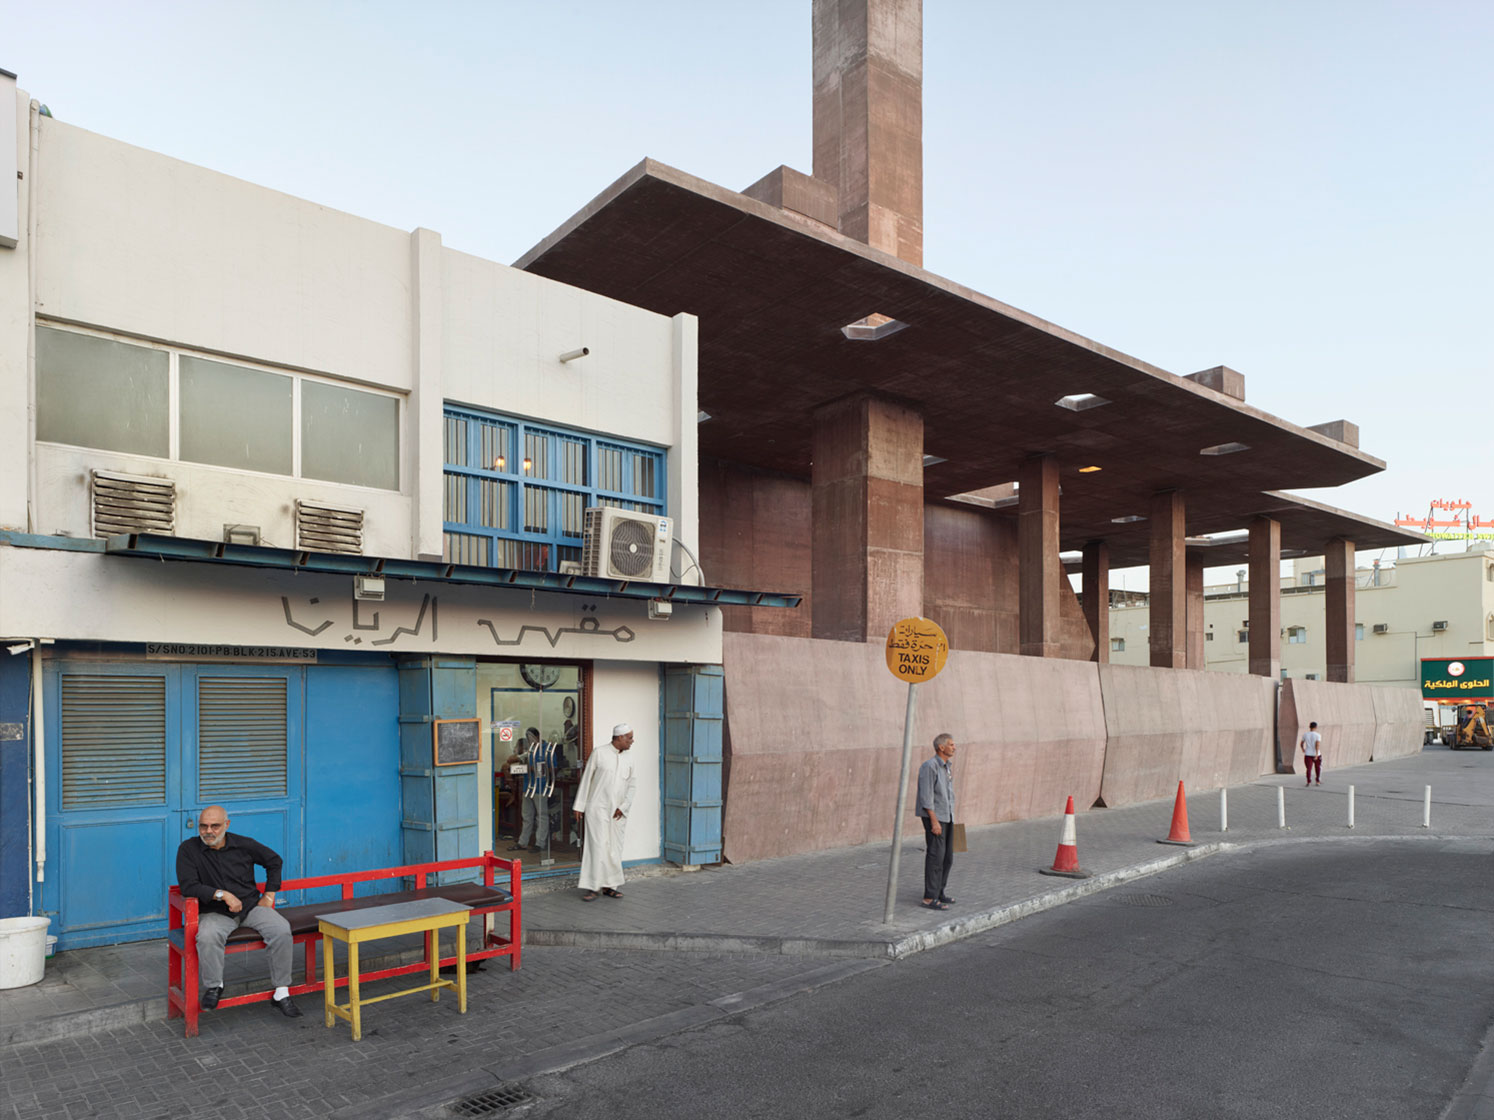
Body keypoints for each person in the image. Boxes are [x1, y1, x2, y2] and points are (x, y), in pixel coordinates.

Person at [175, 804, 301, 1018]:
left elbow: (274, 861)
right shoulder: (188, 849)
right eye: (203, 826)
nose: (208, 831)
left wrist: (269, 895)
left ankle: (281, 992)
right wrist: (222, 894)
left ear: (227, 824)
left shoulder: (244, 844)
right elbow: (188, 886)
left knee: (281, 929)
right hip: (214, 912)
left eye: (215, 826)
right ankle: (215, 986)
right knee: (207, 936)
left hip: (250, 907)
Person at [572, 723, 638, 901]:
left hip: (618, 812)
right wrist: (579, 806)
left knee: (614, 849)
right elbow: (586, 779)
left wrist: (623, 807)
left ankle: (610, 886)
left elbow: (632, 785)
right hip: (597, 809)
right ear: (619, 737)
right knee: (597, 847)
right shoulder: (599, 753)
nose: (632, 741)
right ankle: (593, 887)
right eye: (629, 738)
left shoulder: (629, 758)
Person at [916, 733, 958, 911]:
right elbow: (926, 797)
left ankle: (940, 892)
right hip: (935, 818)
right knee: (935, 857)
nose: (954, 747)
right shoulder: (929, 766)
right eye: (951, 744)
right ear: (941, 747)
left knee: (947, 857)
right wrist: (934, 822)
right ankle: (929, 897)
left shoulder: (947, 767)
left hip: (948, 816)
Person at [506, 727, 557, 853]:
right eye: (528, 738)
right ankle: (522, 842)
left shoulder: (547, 749)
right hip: (528, 786)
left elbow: (552, 769)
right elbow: (511, 760)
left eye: (531, 738)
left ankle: (540, 843)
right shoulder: (530, 750)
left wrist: (535, 769)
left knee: (541, 816)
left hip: (541, 787)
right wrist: (519, 757)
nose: (530, 740)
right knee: (527, 816)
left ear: (538, 736)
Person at [1300, 721, 1323, 786]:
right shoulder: (1318, 735)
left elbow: (1301, 743)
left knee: (1308, 769)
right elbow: (1317, 745)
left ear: (1309, 727)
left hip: (1308, 754)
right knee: (1318, 768)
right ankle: (1317, 781)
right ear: (1316, 727)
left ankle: (1308, 781)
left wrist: (1303, 749)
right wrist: (1316, 754)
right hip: (1316, 754)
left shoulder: (1305, 734)